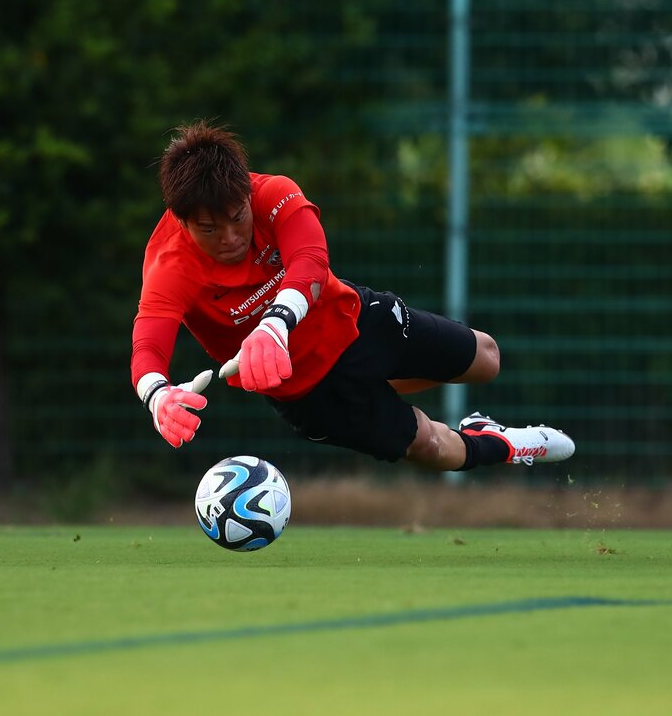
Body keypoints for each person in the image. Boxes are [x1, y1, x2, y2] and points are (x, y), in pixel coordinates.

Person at [130, 121, 574, 474]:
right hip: (311, 395)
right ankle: (505, 445)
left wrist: (275, 323)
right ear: (182, 221)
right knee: (434, 446)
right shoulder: (170, 267)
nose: (230, 238)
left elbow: (311, 260)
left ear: (247, 191)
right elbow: (148, 347)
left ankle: (455, 412)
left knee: (487, 358)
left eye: (237, 218)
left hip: (357, 322)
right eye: (210, 229)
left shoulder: (274, 193)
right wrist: (158, 395)